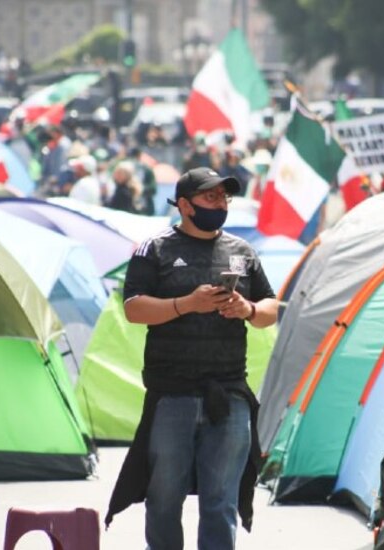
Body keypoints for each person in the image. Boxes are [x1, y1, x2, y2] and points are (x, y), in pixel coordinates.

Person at [106, 167, 280, 550]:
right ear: (184, 205)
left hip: (229, 392)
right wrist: (188, 304)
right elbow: (134, 309)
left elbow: (272, 307)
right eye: (210, 197)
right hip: (172, 394)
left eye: (224, 197)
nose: (220, 204)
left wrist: (247, 309)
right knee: (164, 498)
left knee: (221, 501)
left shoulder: (243, 251)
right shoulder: (156, 249)